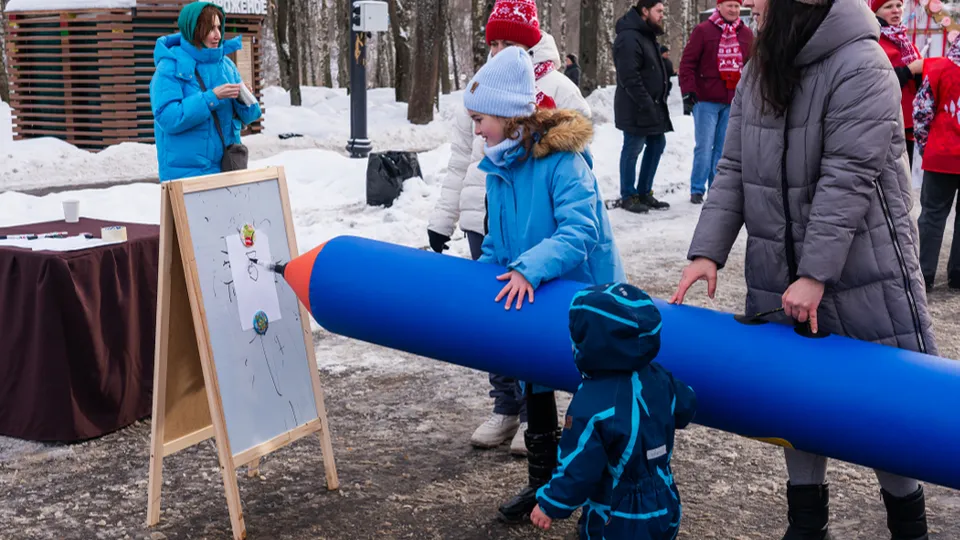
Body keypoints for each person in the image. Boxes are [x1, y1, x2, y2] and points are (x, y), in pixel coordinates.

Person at [671, 0, 936, 538]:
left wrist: (815, 274)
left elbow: (849, 177)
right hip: (779, 269)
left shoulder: (862, 63)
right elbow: (735, 166)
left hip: (867, 273)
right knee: (795, 398)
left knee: (887, 405)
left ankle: (908, 522)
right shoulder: (761, 67)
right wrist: (707, 251)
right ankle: (807, 523)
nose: (752, 6)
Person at [459, 46, 625, 524]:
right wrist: (481, 274)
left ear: (511, 116)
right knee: (534, 383)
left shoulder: (562, 160)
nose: (476, 129)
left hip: (583, 295)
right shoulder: (499, 167)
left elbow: (580, 231)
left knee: (592, 395)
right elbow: (498, 239)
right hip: (535, 294)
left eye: (481, 118)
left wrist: (528, 267)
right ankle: (541, 484)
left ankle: (603, 486)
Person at [427, 0, 590, 458]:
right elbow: (463, 159)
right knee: (510, 334)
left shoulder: (556, 133)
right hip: (506, 235)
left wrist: (530, 264)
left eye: (507, 42)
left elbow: (580, 224)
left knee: (561, 350)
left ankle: (573, 455)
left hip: (554, 253)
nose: (498, 49)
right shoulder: (491, 132)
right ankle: (518, 423)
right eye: (492, 41)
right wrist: (447, 223)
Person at [529, 283, 697, 539]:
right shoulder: (660, 378)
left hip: (618, 511)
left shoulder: (592, 403)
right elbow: (686, 406)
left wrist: (551, 503)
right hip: (664, 498)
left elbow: (580, 467)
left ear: (593, 345)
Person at [150, 1, 262, 182]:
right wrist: (211, 97)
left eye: (219, 27)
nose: (217, 34)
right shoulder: (170, 66)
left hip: (227, 168)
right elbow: (168, 117)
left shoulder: (226, 65)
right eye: (210, 28)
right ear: (194, 29)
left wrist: (243, 98)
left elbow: (248, 117)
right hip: (188, 174)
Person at [679, 0, 753, 205]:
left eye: (737, 7)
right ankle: (696, 189)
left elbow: (751, 68)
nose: (733, 10)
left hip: (733, 101)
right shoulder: (703, 31)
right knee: (704, 146)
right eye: (729, 5)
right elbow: (687, 63)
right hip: (706, 100)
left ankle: (716, 188)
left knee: (723, 148)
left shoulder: (746, 34)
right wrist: (688, 91)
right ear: (719, 7)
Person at [613, 0, 673, 214]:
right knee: (633, 148)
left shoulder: (647, 34)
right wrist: (647, 102)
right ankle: (628, 195)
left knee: (657, 144)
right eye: (659, 11)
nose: (662, 15)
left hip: (652, 105)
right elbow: (629, 76)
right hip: (635, 107)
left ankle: (645, 192)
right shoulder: (629, 37)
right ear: (645, 11)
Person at [913, 35, 960, 291]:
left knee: (932, 215)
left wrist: (925, 146)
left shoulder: (939, 67)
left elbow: (922, 110)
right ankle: (958, 274)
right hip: (942, 153)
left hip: (941, 154)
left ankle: (924, 274)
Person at [874, 0, 924, 167]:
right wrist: (910, 70)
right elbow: (876, 81)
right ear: (876, 12)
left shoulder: (904, 42)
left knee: (904, 174)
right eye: (888, 7)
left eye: (898, 5)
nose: (896, 11)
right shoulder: (875, 41)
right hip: (886, 121)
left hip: (908, 123)